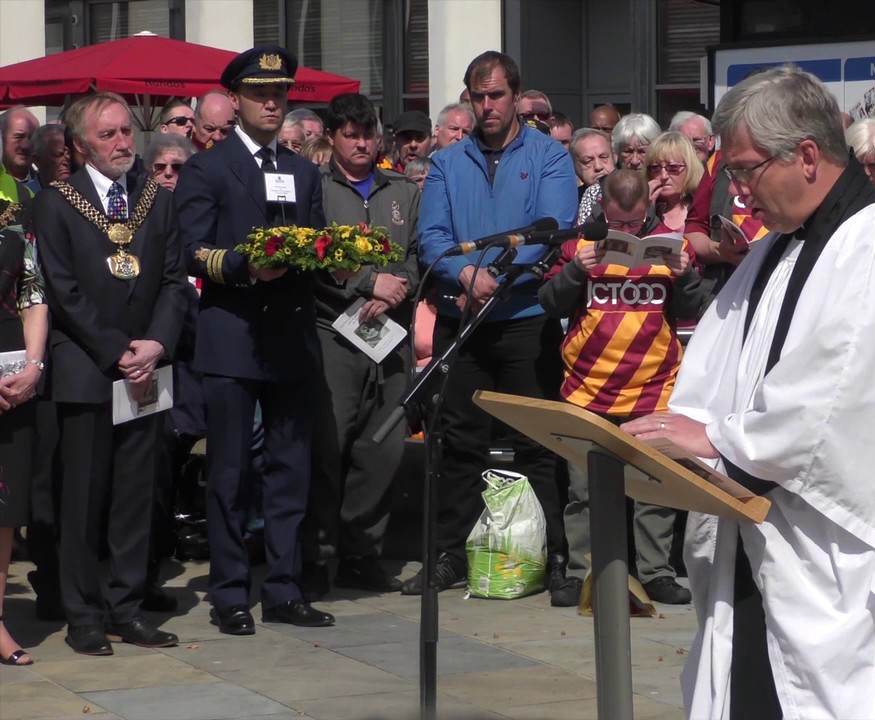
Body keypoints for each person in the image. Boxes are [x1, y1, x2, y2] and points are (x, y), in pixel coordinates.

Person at [621, 64, 875, 719]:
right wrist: (679, 425)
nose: (739, 194)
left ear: (808, 156)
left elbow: (838, 391)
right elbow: (718, 357)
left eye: (747, 169)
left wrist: (721, 439)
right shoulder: (775, 249)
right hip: (762, 535)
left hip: (833, 553)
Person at [176, 46, 334, 635]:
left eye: (280, 94)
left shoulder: (301, 169)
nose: (273, 103)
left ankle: (285, 588)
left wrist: (336, 259)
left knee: (291, 468)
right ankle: (229, 592)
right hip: (233, 335)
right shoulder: (207, 169)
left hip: (291, 335)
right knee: (230, 473)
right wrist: (245, 265)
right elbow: (192, 249)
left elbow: (315, 241)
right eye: (260, 94)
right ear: (236, 99)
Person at [413, 50, 576, 597]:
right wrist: (465, 276)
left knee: (538, 443)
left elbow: (551, 228)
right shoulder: (445, 161)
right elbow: (432, 235)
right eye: (478, 96)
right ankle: (447, 555)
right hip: (464, 320)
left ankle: (555, 557)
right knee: (458, 440)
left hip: (525, 317)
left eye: (496, 95)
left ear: (516, 96)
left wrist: (496, 277)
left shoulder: (550, 156)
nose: (487, 105)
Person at [34, 92, 189, 654]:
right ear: (79, 145)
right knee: (83, 500)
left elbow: (175, 279)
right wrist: (116, 349)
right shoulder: (57, 203)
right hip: (87, 369)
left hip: (147, 368)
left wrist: (156, 343)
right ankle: (83, 614)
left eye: (127, 131)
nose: (123, 143)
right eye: (109, 135)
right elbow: (62, 289)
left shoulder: (155, 198)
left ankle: (126, 607)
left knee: (135, 495)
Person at [538, 168, 703, 607]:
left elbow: (692, 308)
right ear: (602, 210)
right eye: (618, 224)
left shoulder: (675, 247)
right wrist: (575, 270)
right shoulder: (581, 246)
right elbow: (549, 302)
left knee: (653, 488)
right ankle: (581, 572)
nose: (626, 232)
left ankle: (655, 572)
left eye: (634, 224)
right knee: (584, 490)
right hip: (586, 387)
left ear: (647, 209)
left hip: (653, 385)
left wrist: (684, 275)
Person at [301, 92, 420, 599]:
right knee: (329, 449)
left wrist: (399, 285)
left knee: (383, 449)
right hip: (333, 331)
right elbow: (311, 254)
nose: (362, 144)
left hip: (390, 337)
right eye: (351, 134)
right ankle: (318, 556)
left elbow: (417, 253)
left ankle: (363, 551)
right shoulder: (317, 189)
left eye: (368, 134)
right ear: (332, 137)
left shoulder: (403, 191)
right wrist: (367, 282)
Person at [0, 196, 45, 666]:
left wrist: (32, 367)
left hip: (11, 379)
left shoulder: (11, 218)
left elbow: (34, 295)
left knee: (4, 507)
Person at [578, 113, 660, 224]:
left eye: (642, 152)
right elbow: (583, 236)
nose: (635, 161)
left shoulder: (665, 189)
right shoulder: (596, 192)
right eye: (628, 151)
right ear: (616, 153)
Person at [646, 132, 705, 234]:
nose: (663, 176)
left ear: (690, 168)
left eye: (673, 167)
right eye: (655, 168)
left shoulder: (702, 207)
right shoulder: (640, 209)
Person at [570, 128, 613, 195]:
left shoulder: (632, 196)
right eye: (588, 161)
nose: (598, 167)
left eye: (603, 157)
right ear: (575, 169)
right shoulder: (571, 201)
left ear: (614, 158)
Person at [32, 124, 71, 189]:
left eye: (69, 154)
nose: (65, 161)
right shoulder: (25, 195)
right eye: (58, 155)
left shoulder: (85, 192)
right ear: (37, 160)